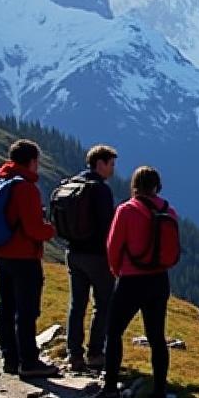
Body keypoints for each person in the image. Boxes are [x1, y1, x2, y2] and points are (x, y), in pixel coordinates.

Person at [88, 166, 179, 398]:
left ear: (134, 185)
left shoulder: (126, 210)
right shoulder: (168, 211)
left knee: (114, 331)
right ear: (157, 186)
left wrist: (117, 271)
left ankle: (109, 389)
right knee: (156, 336)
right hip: (159, 280)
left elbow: (113, 246)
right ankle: (160, 392)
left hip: (132, 280)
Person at [0, 139, 57, 378]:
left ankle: (10, 358)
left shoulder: (2, 181)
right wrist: (51, 230)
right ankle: (29, 361)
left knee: (6, 306)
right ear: (32, 162)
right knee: (27, 310)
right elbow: (34, 229)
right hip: (24, 257)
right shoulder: (26, 188)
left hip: (2, 253)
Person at [61, 144, 117, 373]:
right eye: (111, 164)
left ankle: (74, 354)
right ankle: (95, 352)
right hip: (96, 255)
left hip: (73, 252)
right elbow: (108, 226)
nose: (113, 170)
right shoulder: (100, 189)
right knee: (103, 304)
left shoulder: (72, 185)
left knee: (77, 304)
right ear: (100, 163)